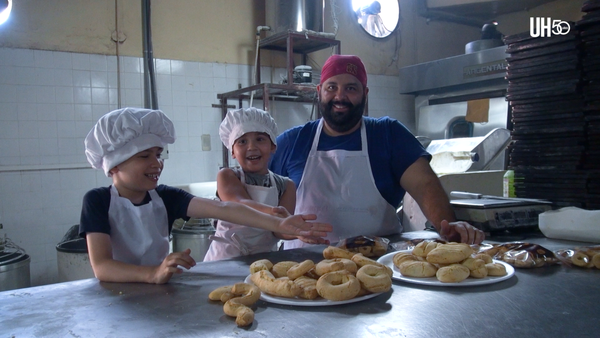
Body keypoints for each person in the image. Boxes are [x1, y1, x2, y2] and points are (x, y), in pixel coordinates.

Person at [79, 107, 332, 284]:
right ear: (113, 165)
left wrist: (280, 224)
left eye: (158, 154)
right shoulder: (98, 201)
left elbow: (225, 209)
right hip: (117, 291)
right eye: (144, 156)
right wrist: (152, 273)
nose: (157, 163)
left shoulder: (164, 197)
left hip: (162, 284)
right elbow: (102, 267)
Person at [269, 54, 485, 249]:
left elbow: (424, 185)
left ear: (365, 93)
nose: (340, 97)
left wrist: (447, 226)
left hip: (378, 267)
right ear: (319, 91)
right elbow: (257, 192)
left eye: (351, 88)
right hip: (302, 271)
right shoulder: (292, 142)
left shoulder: (388, 135)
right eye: (331, 87)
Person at [203, 108, 328, 261]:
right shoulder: (227, 176)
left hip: (263, 262)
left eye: (260, 139)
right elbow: (239, 204)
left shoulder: (286, 185)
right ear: (233, 152)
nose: (252, 147)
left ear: (273, 146)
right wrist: (277, 214)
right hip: (224, 259)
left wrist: (297, 232)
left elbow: (279, 231)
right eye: (242, 141)